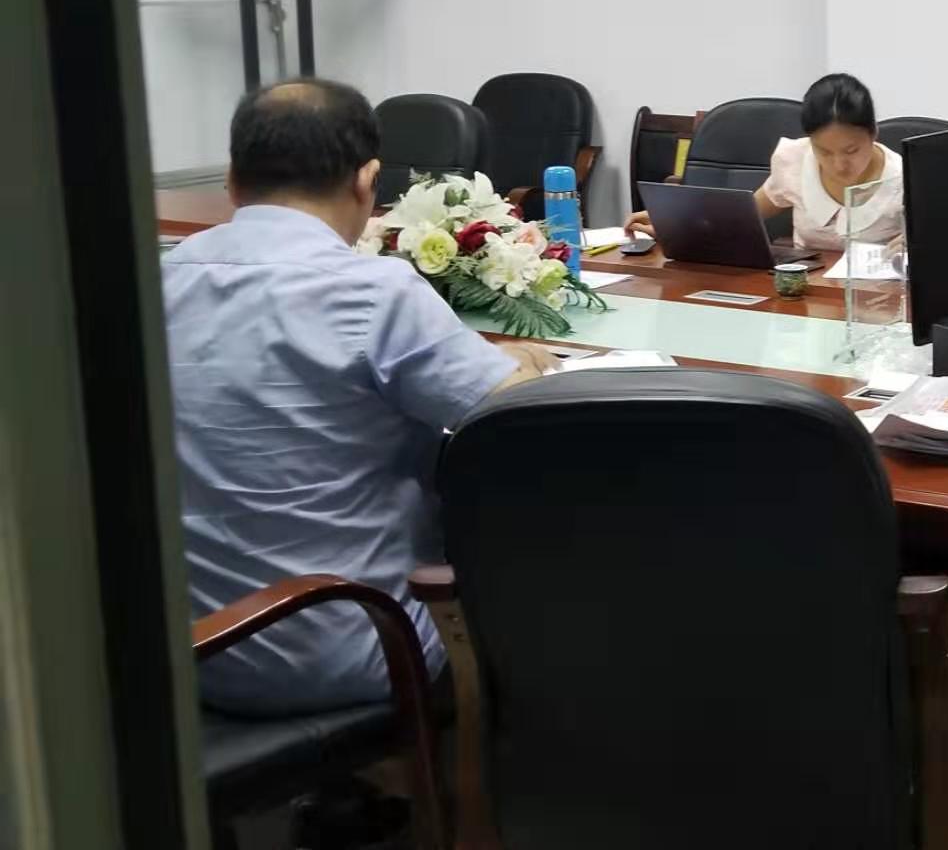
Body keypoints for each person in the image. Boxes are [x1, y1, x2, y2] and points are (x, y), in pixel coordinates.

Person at [166, 79, 557, 715]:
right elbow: (527, 427)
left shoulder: (160, 278)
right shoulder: (371, 291)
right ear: (367, 181)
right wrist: (523, 367)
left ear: (233, 181)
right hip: (352, 647)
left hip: (191, 651)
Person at [625, 73, 903, 251]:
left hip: (873, 303)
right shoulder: (795, 160)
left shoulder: (904, 179)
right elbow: (741, 216)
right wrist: (675, 222)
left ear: (873, 133)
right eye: (824, 152)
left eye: (851, 151)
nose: (839, 164)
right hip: (805, 295)